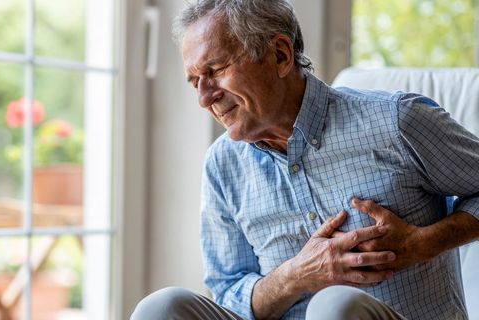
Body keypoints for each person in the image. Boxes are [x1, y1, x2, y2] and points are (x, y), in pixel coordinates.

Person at [131, 0, 479, 319]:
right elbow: (227, 294)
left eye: (217, 69)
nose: (205, 98)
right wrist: (295, 275)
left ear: (280, 55)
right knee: (161, 308)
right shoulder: (223, 165)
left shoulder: (396, 122)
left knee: (336, 305)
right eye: (195, 82)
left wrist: (423, 243)